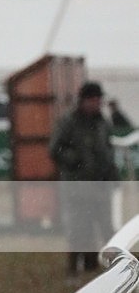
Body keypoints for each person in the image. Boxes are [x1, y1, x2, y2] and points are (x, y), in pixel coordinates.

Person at [49, 81, 119, 278]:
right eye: (93, 100)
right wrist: (76, 161)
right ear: (84, 100)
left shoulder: (102, 122)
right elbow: (55, 149)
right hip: (77, 186)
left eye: (99, 100)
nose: (97, 103)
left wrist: (112, 176)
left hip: (100, 185)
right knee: (78, 228)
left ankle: (98, 267)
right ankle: (73, 269)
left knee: (105, 226)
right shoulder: (68, 122)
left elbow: (108, 151)